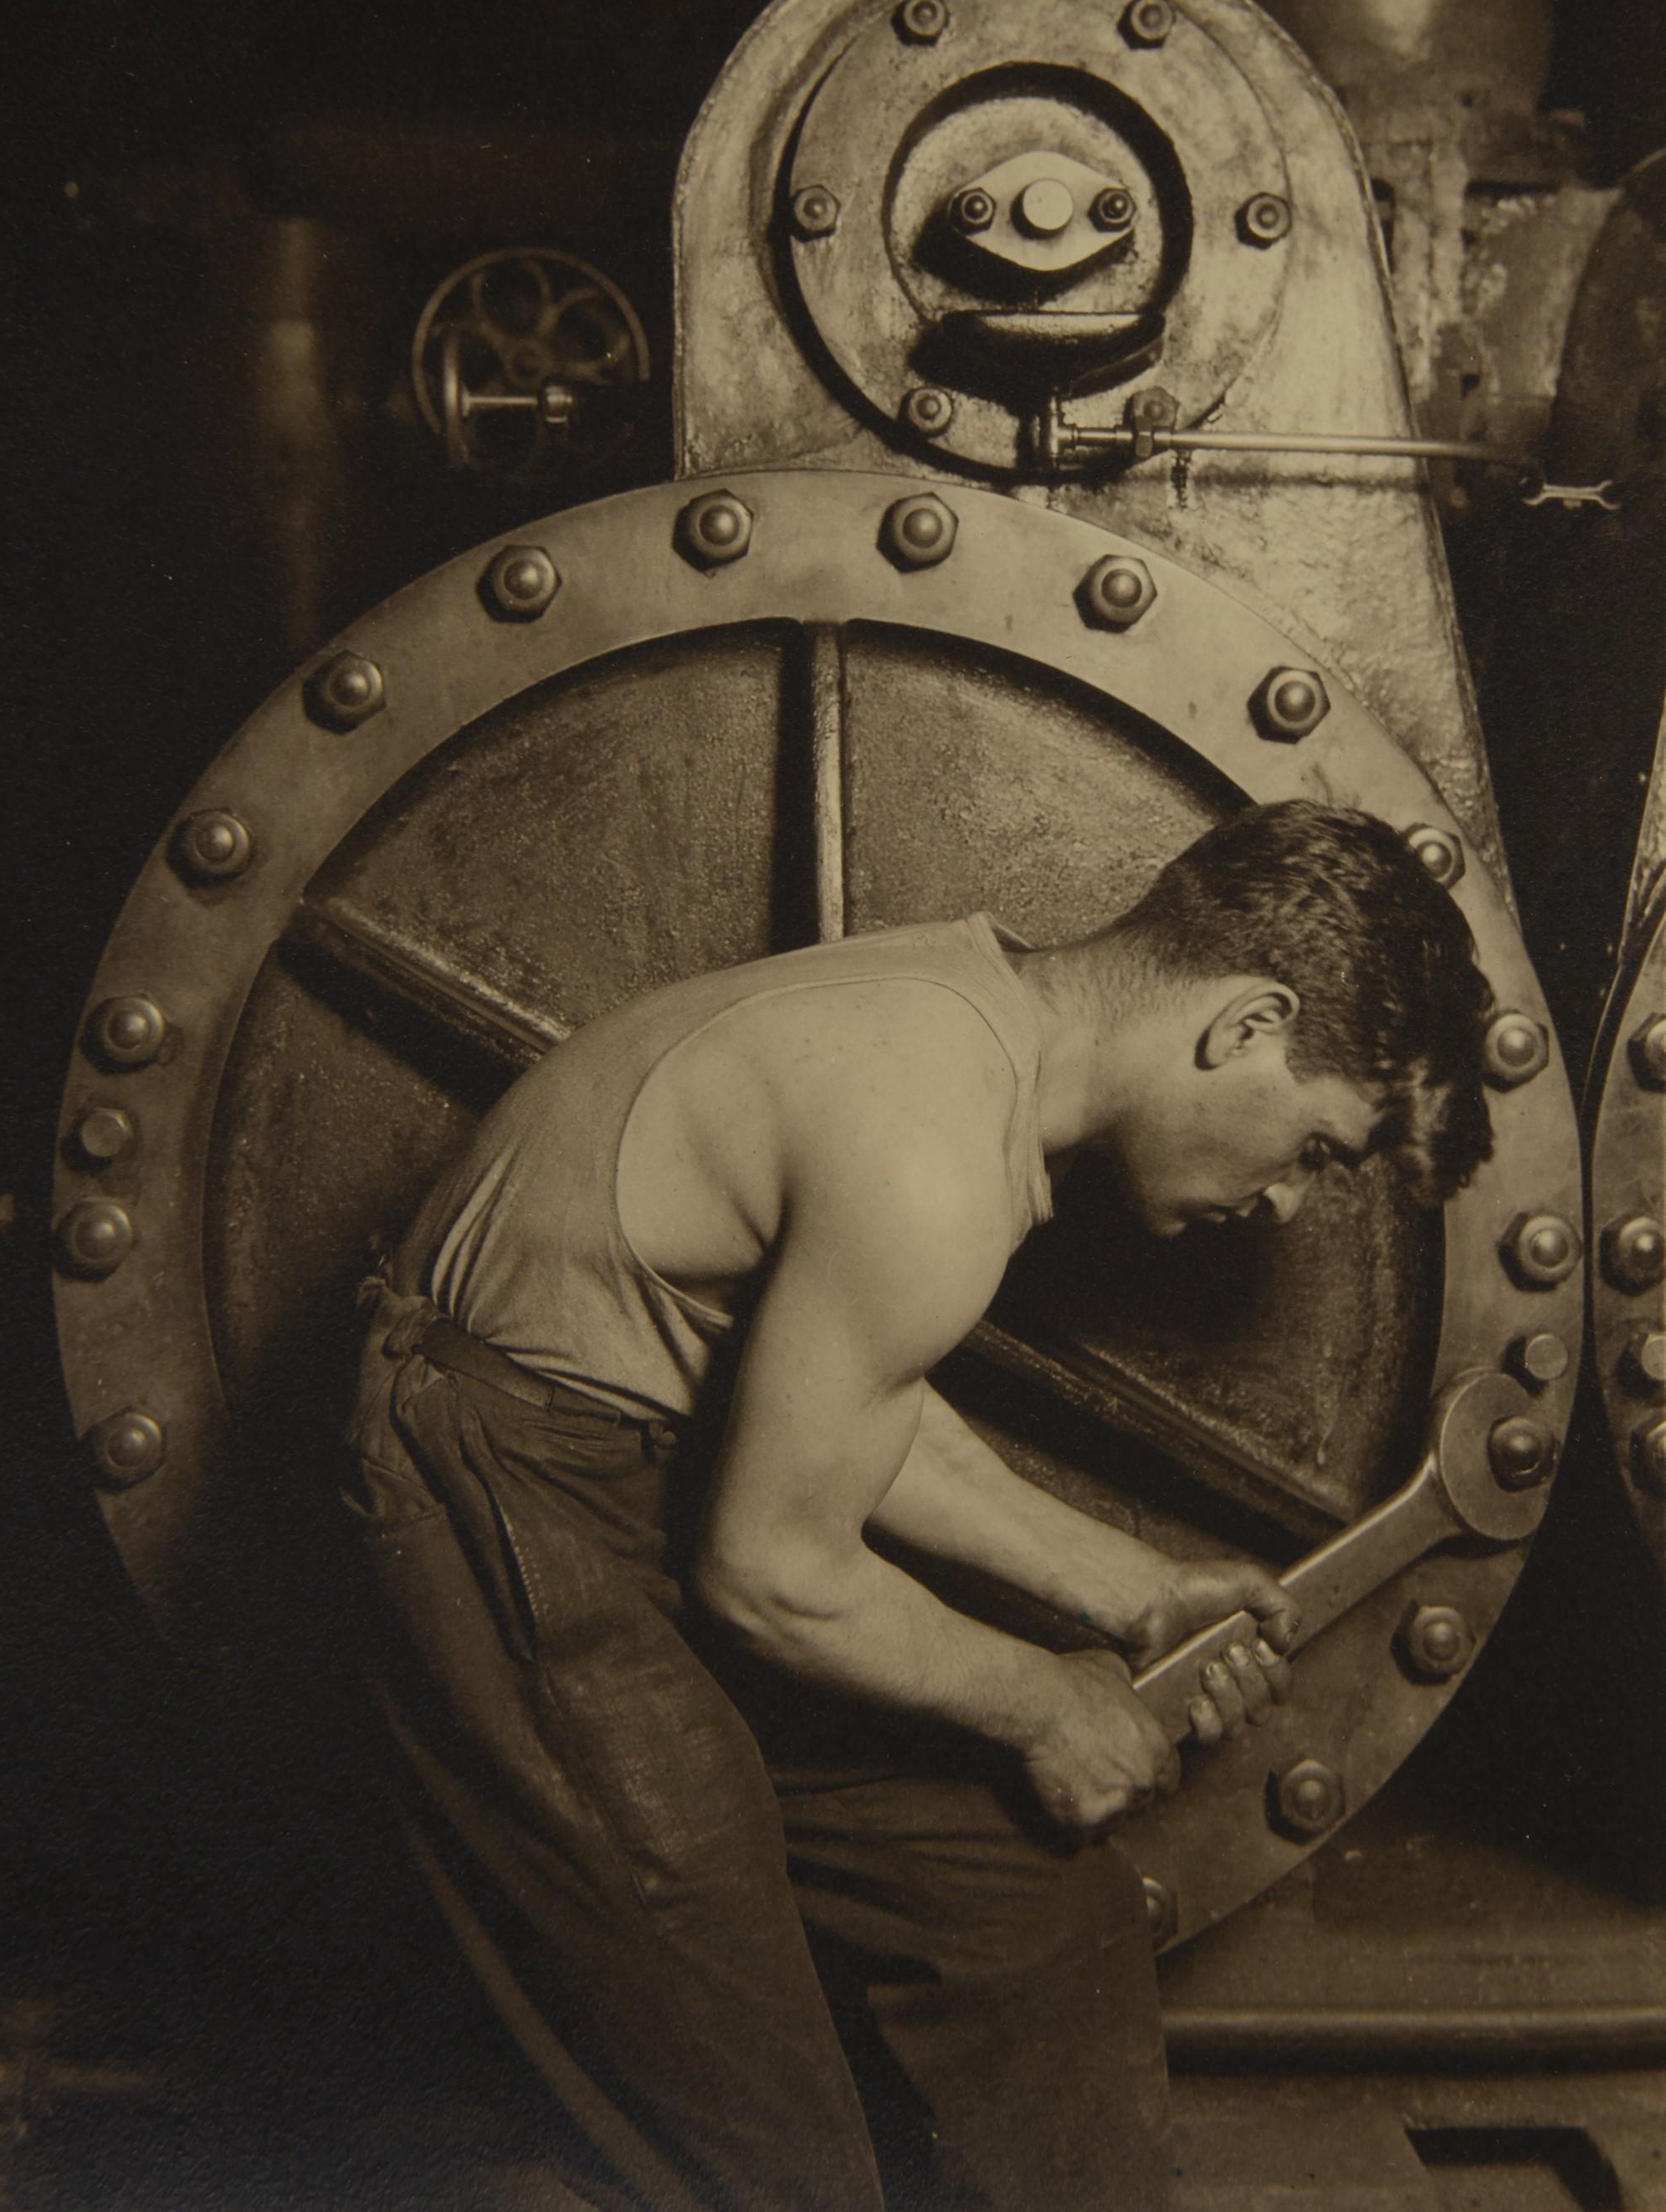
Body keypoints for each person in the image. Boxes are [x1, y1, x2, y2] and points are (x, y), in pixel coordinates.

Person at [342, 800, 1494, 2212]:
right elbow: (771, 1577)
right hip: (499, 1492)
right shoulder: (932, 1156)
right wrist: (1046, 1705)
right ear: (1246, 1023)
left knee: (1036, 1919)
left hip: (641, 1463)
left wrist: (1131, 1586)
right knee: (772, 2156)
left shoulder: (968, 1005)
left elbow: (843, 1401)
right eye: (1320, 1148)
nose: (1294, 1205)